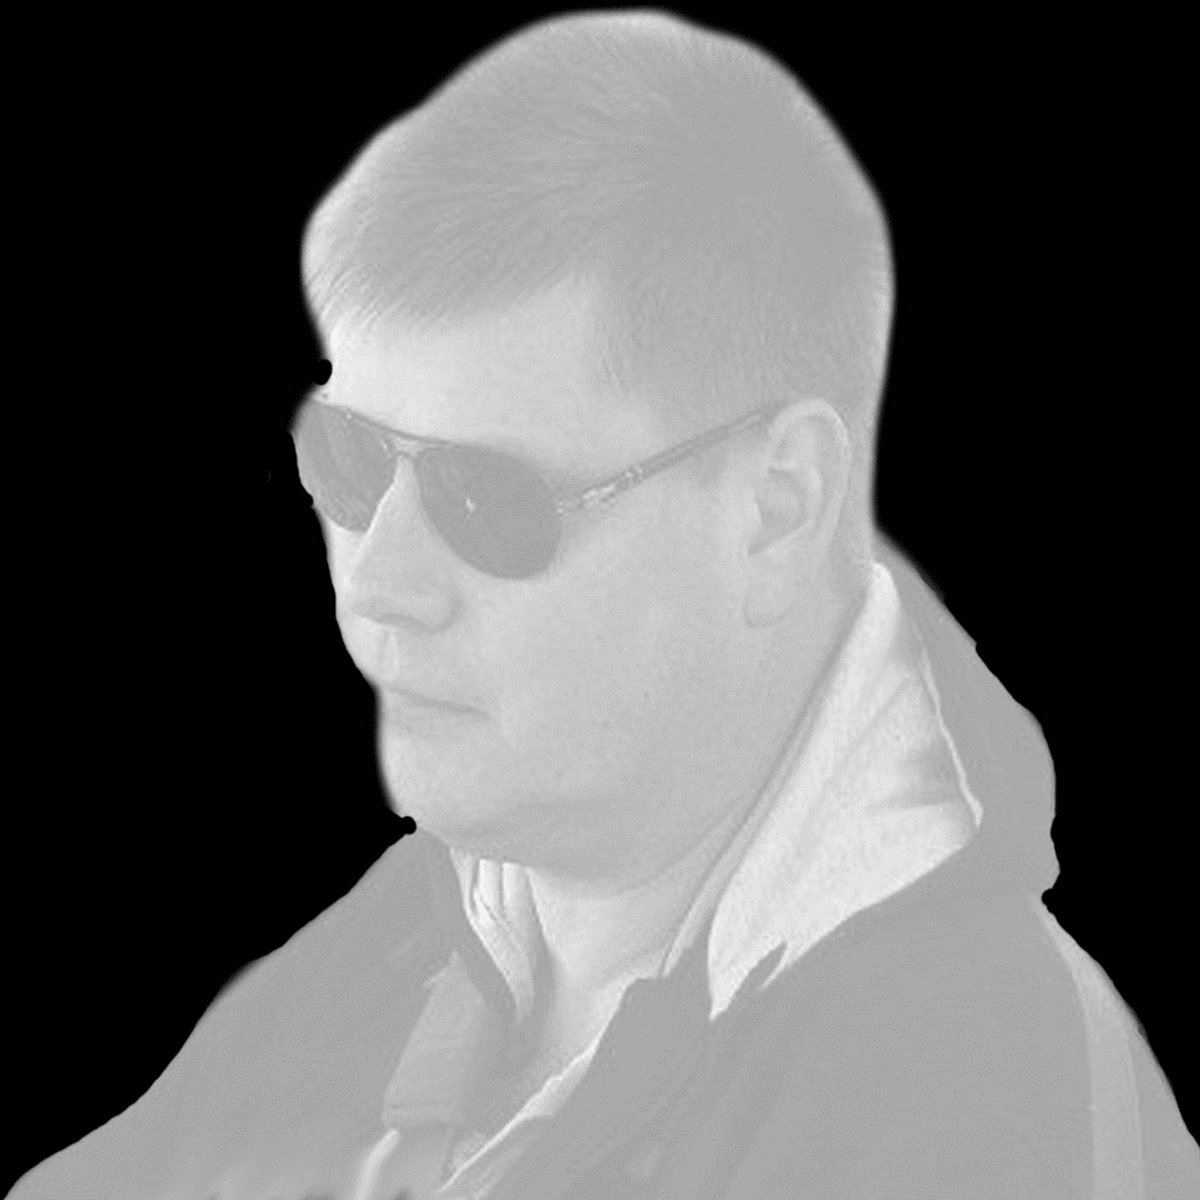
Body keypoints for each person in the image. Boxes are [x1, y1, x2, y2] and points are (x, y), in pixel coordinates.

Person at [11, 13, 1195, 1200]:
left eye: (488, 498)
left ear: (776, 509)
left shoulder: (980, 1115)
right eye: (353, 461)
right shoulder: (422, 932)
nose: (378, 582)